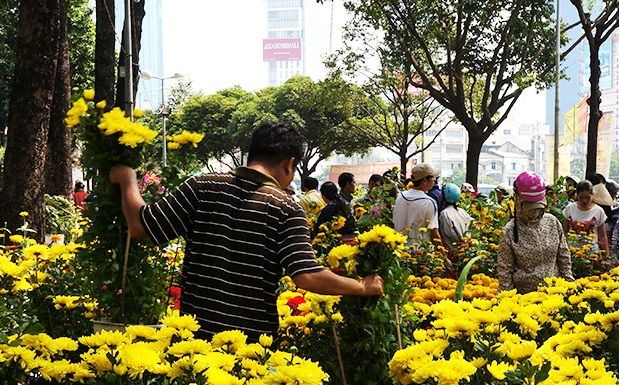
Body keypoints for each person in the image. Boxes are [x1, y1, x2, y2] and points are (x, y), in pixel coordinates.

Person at [108, 120, 384, 340]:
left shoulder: (201, 186)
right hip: (251, 348)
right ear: (289, 163)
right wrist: (362, 285)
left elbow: (140, 225)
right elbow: (308, 277)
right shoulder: (285, 208)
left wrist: (127, 179)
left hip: (193, 343)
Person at [497, 171, 573, 292]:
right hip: (525, 299)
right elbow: (505, 271)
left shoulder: (552, 223)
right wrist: (506, 300)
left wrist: (569, 285)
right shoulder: (509, 232)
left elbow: (563, 256)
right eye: (530, 207)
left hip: (555, 293)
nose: (535, 213)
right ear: (517, 200)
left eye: (539, 207)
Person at [393, 163, 442, 245]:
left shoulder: (400, 196)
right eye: (433, 177)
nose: (434, 180)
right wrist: (443, 255)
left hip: (399, 248)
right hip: (419, 252)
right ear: (425, 181)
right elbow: (434, 233)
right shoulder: (429, 202)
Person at [562, 180, 609, 251]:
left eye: (587, 197)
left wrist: (606, 255)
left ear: (592, 195)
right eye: (581, 197)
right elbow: (565, 231)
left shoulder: (599, 211)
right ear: (576, 195)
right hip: (573, 251)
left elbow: (602, 236)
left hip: (591, 252)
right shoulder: (569, 208)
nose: (584, 201)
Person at [438, 182, 473, 251]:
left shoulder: (445, 213)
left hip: (455, 250)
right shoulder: (462, 211)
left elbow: (450, 234)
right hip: (465, 248)